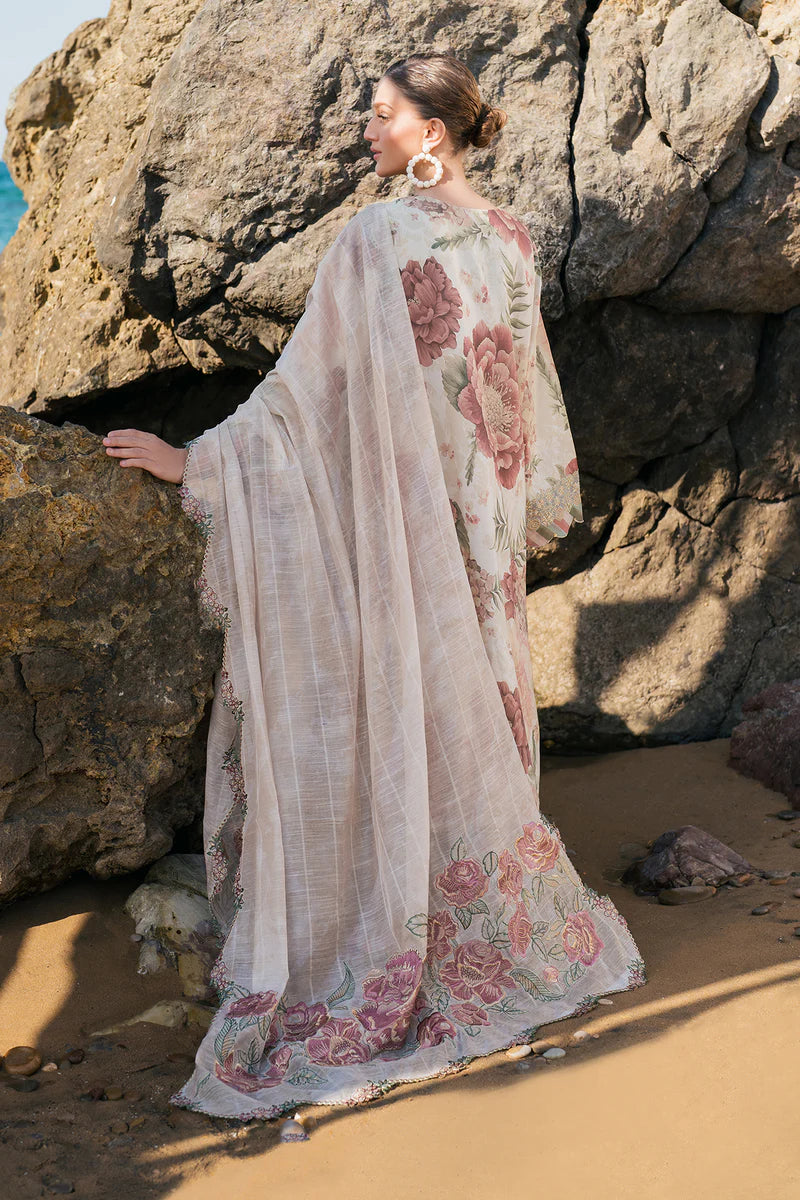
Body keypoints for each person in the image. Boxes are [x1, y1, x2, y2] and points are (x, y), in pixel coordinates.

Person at [103, 52, 647, 1122]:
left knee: (412, 691)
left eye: (384, 114)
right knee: (472, 693)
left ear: (432, 131)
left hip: (419, 513)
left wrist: (202, 460)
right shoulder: (511, 237)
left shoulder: (377, 236)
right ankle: (483, 914)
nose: (367, 129)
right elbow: (523, 393)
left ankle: (409, 920)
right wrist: (526, 507)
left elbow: (307, 391)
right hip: (479, 516)